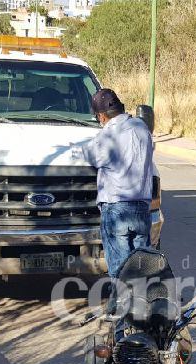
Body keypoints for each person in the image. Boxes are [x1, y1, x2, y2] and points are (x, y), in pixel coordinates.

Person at [81, 88, 154, 278]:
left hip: (117, 209)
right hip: (142, 209)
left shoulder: (108, 135)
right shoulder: (142, 128)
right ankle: (144, 303)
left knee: (121, 269)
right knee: (143, 266)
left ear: (102, 116)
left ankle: (124, 304)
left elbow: (90, 156)